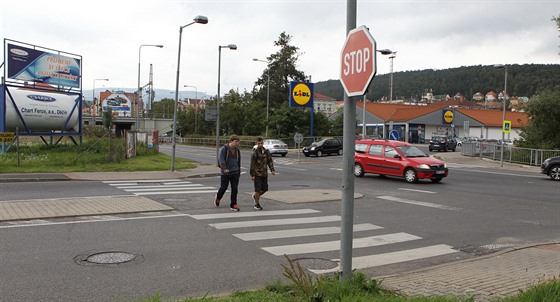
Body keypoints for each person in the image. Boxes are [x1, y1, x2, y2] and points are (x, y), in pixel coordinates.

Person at [215, 135, 241, 211]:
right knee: (223, 187)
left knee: (235, 189)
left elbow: (238, 161)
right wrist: (224, 169)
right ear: (231, 141)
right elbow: (221, 160)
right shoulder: (224, 149)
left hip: (235, 172)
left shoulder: (237, 150)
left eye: (238, 141)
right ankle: (218, 197)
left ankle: (233, 204)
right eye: (236, 141)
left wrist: (238, 171)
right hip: (225, 173)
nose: (237, 143)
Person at [250, 137, 276, 210]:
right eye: (259, 143)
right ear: (256, 143)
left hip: (264, 173)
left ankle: (255, 196)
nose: (260, 144)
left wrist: (272, 170)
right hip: (257, 173)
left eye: (261, 143)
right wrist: (252, 174)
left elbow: (269, 161)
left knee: (265, 189)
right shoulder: (255, 152)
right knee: (257, 189)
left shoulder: (266, 151)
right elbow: (252, 164)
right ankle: (256, 204)